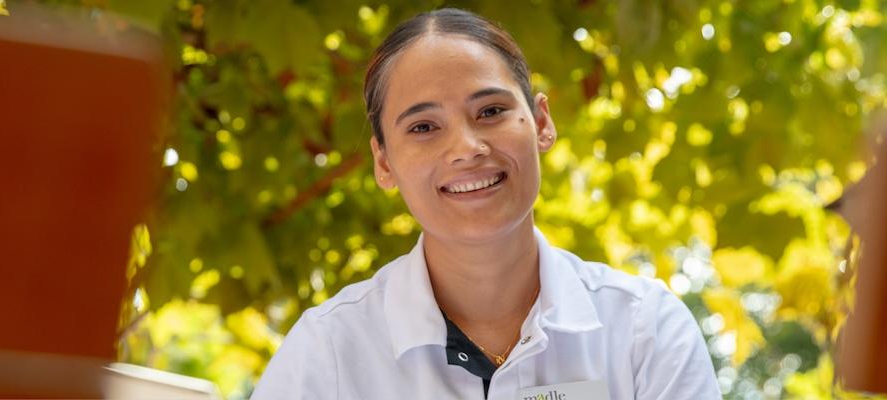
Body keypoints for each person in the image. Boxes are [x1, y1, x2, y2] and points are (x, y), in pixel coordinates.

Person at [252, 8, 721, 400]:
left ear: (541, 123)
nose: (466, 148)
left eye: (491, 111)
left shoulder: (645, 330)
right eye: (423, 127)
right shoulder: (327, 350)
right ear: (384, 162)